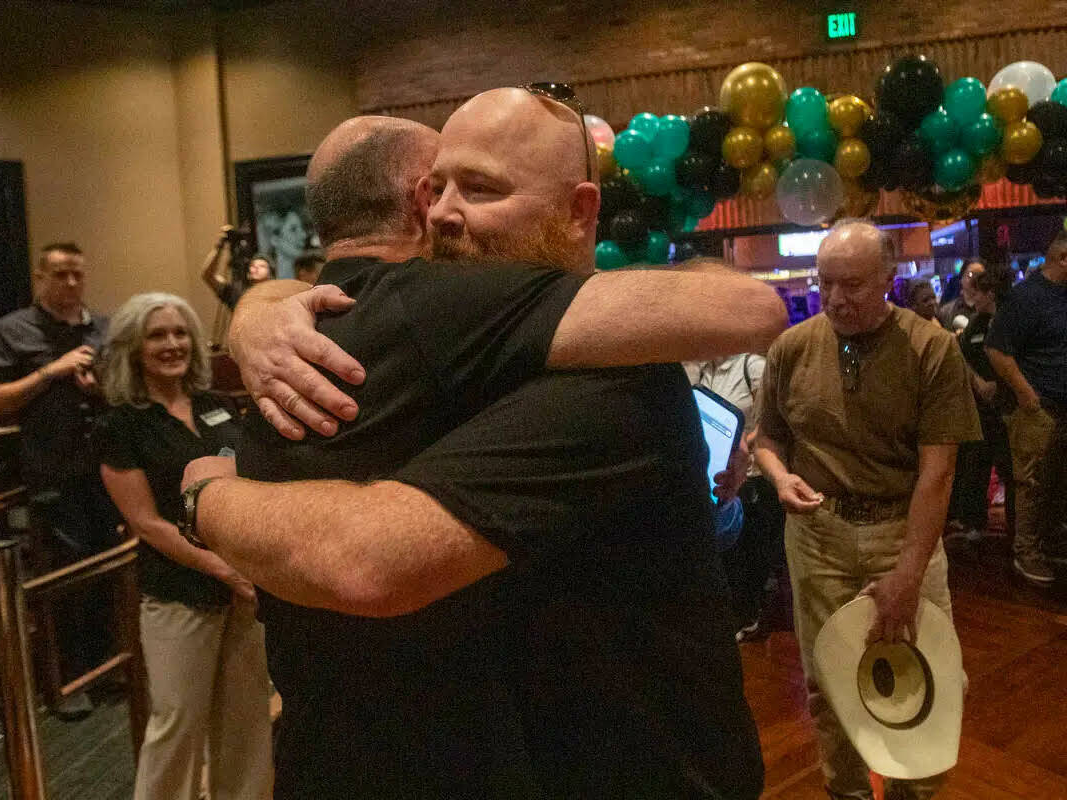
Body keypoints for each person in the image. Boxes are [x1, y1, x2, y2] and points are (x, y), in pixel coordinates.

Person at [186, 95, 785, 798]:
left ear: (579, 210)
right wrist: (261, 309)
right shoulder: (459, 345)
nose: (439, 212)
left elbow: (368, 557)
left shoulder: (608, 373)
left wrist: (205, 489)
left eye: (481, 189)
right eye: (435, 187)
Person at [755, 219, 980, 800]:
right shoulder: (792, 347)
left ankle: (913, 792)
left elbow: (939, 473)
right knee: (826, 684)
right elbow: (768, 438)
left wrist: (908, 573)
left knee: (927, 680)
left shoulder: (930, 349)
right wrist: (780, 478)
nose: (835, 299)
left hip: (901, 531)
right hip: (817, 535)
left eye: (852, 285)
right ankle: (847, 792)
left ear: (889, 277)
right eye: (825, 283)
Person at [95, 293, 273, 800]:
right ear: (133, 347)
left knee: (247, 724)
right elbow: (148, 524)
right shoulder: (120, 424)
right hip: (180, 593)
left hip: (243, 594)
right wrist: (226, 569)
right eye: (157, 335)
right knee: (176, 725)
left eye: (179, 333)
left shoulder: (217, 405)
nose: (171, 344)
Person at [0, 241, 118, 717]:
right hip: (52, 471)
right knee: (62, 580)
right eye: (60, 275)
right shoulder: (13, 330)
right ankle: (67, 681)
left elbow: (126, 394)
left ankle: (109, 668)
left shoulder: (105, 328)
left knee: (109, 570)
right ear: (41, 277)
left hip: (109, 469)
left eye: (78, 274)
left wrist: (101, 390)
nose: (71, 283)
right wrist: (49, 373)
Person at [986, 228, 1067, 586]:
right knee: (1031, 484)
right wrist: (1026, 396)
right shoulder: (1027, 297)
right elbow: (996, 348)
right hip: (1040, 407)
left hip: (1059, 406)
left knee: (1055, 483)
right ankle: (1026, 553)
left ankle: (1048, 544)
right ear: (1062, 259)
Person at [693, 353, 783, 643]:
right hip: (720, 472)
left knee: (750, 549)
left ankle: (749, 615)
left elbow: (774, 419)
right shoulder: (706, 369)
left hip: (753, 472)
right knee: (730, 552)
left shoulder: (752, 367)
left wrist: (741, 442)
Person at [945, 263, 1015, 546]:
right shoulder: (976, 322)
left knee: (1009, 469)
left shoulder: (1010, 322)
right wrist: (978, 382)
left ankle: (1016, 529)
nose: (976, 297)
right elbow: (960, 357)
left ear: (991, 294)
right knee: (976, 466)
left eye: (981, 292)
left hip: (1008, 406)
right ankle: (974, 523)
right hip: (979, 408)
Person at [202, 225, 275, 310]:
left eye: (262, 266)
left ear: (271, 275)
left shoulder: (275, 296)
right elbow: (208, 276)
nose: (256, 268)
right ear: (248, 273)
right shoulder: (237, 293)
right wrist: (219, 246)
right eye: (252, 265)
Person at [937, 259, 984, 332]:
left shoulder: (992, 309)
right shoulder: (946, 312)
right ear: (961, 279)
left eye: (980, 276)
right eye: (970, 275)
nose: (975, 280)